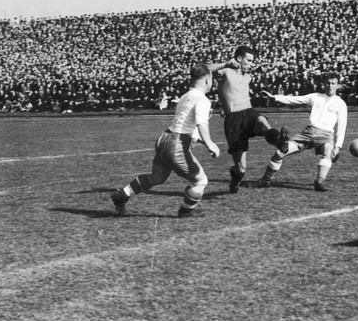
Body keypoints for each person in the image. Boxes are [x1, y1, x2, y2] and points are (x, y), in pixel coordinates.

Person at [110, 64, 221, 218]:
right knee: (201, 181)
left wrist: (206, 142)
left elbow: (187, 127)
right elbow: (201, 123)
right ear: (208, 80)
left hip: (165, 139)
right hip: (177, 144)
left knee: (156, 178)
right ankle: (186, 211)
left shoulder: (185, 96)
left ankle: (122, 195)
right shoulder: (202, 99)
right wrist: (210, 144)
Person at [205, 45, 290, 194]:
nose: (252, 64)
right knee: (241, 168)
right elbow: (203, 70)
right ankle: (236, 180)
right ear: (239, 59)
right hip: (234, 119)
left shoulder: (248, 77)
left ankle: (280, 141)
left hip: (249, 112)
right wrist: (225, 63)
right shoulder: (226, 71)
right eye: (249, 61)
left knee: (262, 121)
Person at [257, 72, 348, 192]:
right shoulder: (315, 96)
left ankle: (319, 181)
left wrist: (337, 147)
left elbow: (342, 126)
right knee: (281, 152)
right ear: (323, 84)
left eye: (333, 83)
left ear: (338, 86)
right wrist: (274, 97)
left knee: (328, 150)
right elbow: (295, 99)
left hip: (325, 135)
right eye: (328, 83)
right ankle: (266, 180)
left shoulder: (341, 104)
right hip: (308, 133)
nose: (330, 86)